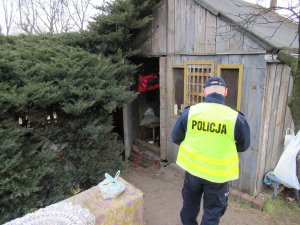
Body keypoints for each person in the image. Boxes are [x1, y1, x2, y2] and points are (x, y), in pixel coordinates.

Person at [172, 77, 250, 225]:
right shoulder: (236, 118)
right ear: (225, 92)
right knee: (212, 213)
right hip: (218, 175)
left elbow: (176, 137)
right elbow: (244, 145)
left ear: (204, 92)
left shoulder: (191, 113)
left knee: (189, 206)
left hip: (193, 171)